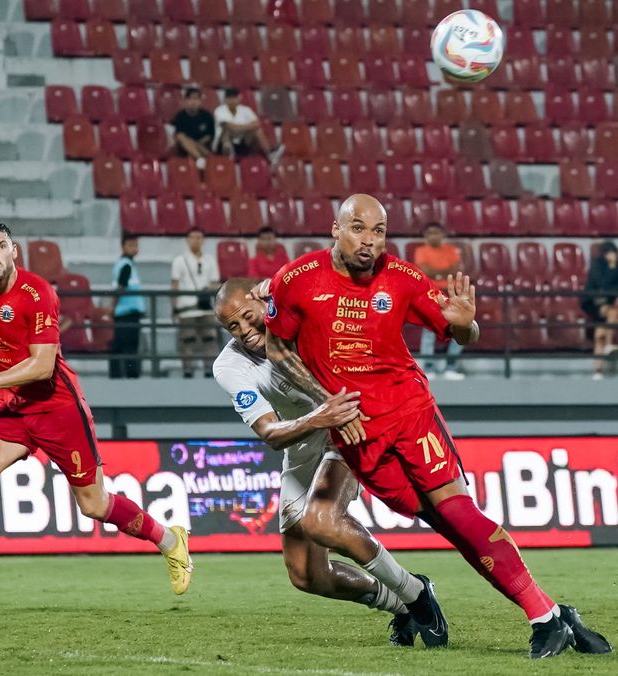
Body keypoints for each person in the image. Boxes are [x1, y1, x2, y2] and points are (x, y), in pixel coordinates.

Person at [263, 194, 612, 659]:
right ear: (335, 229)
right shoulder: (297, 280)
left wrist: (467, 327)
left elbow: (462, 331)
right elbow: (277, 349)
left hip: (411, 415)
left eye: (380, 231)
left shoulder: (403, 278)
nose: (369, 242)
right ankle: (557, 614)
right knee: (451, 528)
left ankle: (543, 618)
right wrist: (327, 403)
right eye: (359, 229)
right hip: (359, 436)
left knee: (459, 515)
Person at [0, 222, 192, 611]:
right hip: (12, 407)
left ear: (14, 251)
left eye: (1, 246)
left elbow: (42, 366)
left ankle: (170, 540)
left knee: (94, 505)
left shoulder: (37, 293)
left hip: (58, 407)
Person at [214, 278, 448, 648]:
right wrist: (316, 417)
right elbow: (270, 433)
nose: (245, 331)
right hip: (303, 441)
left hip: (349, 427)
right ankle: (402, 605)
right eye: (233, 327)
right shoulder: (229, 366)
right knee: (306, 575)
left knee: (322, 521)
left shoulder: (304, 319)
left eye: (247, 316)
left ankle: (416, 595)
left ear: (264, 301)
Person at [413, 222, 465, 380]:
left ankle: (451, 366)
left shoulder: (451, 250)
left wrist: (436, 274)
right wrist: (445, 273)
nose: (434, 236)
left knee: (459, 328)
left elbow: (456, 270)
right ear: (425, 236)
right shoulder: (421, 251)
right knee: (429, 331)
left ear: (443, 235)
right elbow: (425, 271)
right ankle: (428, 367)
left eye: (437, 232)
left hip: (453, 293)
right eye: (430, 233)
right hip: (431, 293)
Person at [171, 228, 220, 378]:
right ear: (187, 240)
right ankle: (187, 370)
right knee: (187, 340)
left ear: (203, 240)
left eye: (199, 238)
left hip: (205, 308)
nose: (196, 241)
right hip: (186, 308)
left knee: (209, 339)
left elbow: (215, 282)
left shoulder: (209, 260)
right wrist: (174, 308)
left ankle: (209, 370)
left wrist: (207, 290)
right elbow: (175, 285)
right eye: (193, 238)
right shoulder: (180, 260)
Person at [214, 88, 283, 166]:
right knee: (226, 131)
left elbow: (256, 124)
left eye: (234, 98)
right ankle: (228, 157)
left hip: (242, 140)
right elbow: (227, 125)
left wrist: (239, 128)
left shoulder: (246, 110)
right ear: (226, 99)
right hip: (224, 143)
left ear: (239, 98)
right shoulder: (219, 110)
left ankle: (270, 153)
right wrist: (246, 127)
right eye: (230, 98)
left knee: (257, 131)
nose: (232, 101)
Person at [580, 240, 618, 380]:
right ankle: (608, 346)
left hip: (610, 303)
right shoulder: (597, 265)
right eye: (609, 253)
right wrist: (613, 266)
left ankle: (598, 371)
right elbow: (603, 285)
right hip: (594, 302)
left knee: (600, 334)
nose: (611, 256)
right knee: (612, 313)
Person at [110, 234, 144, 379]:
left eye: (136, 245)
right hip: (127, 313)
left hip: (125, 312)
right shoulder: (126, 265)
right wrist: (113, 306)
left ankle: (118, 376)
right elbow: (121, 287)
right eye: (130, 245)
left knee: (121, 346)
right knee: (129, 347)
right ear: (123, 247)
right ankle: (130, 377)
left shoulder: (126, 264)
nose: (134, 248)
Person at [171, 86, 215, 171]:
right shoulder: (180, 116)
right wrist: (192, 146)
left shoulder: (207, 115)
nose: (193, 102)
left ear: (200, 101)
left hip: (203, 147)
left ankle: (200, 159)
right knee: (181, 137)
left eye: (196, 99)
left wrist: (196, 144)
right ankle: (199, 159)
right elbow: (180, 136)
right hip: (185, 149)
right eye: (190, 99)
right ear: (185, 101)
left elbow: (210, 135)